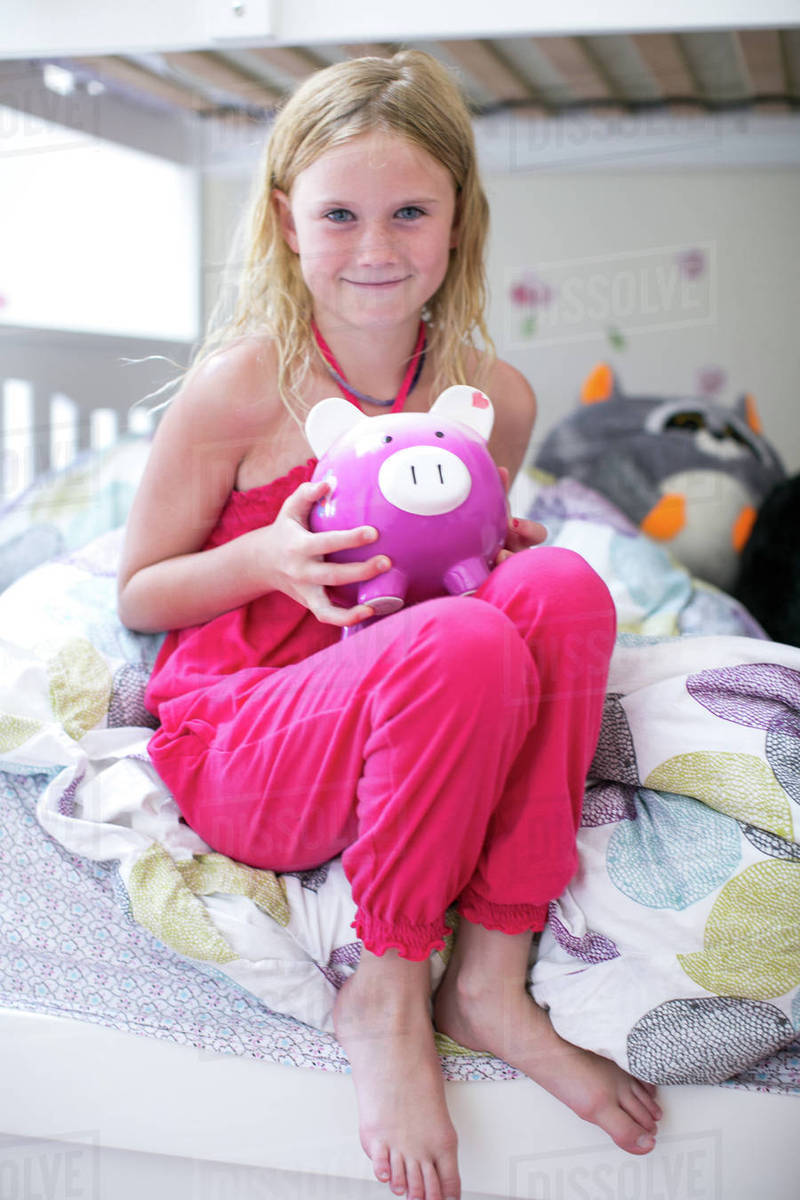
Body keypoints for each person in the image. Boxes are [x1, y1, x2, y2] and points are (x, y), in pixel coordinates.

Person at [118, 50, 661, 1200]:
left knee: (559, 585)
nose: (374, 248)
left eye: (409, 211)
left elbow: (451, 587)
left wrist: (488, 559)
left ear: (458, 218)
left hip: (411, 715)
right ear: (285, 220)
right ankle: (388, 983)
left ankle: (489, 981)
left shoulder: (489, 395)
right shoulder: (244, 387)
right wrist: (265, 556)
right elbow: (140, 590)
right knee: (461, 640)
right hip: (254, 743)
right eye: (340, 215)